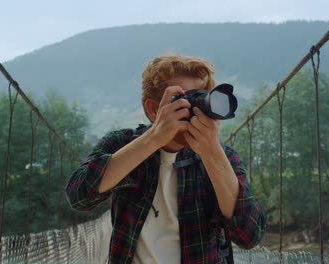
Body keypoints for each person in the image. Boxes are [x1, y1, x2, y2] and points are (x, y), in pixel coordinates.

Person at [65, 54, 265, 264]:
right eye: (184, 100)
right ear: (153, 109)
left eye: (201, 98)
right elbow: (79, 196)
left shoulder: (225, 157)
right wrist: (154, 138)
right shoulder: (122, 143)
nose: (195, 111)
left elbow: (249, 236)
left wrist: (212, 152)